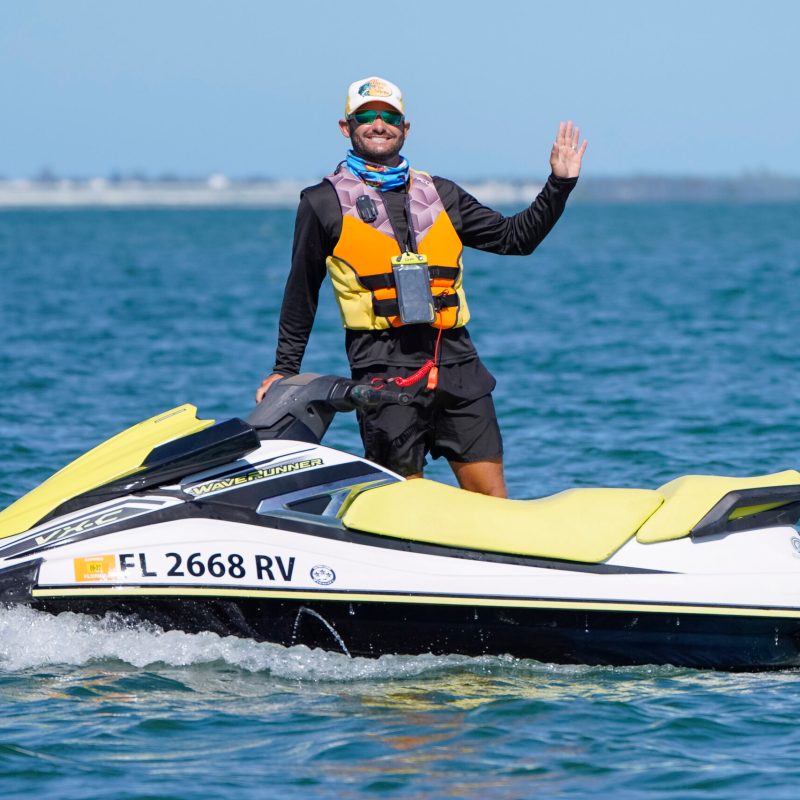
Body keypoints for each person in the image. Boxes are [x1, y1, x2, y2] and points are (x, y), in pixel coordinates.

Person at [256, 76, 586, 498]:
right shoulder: (321, 202)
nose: (379, 124)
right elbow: (302, 291)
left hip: (459, 366)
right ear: (347, 127)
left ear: (405, 128)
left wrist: (559, 185)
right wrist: (286, 368)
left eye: (389, 116)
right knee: (405, 504)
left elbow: (515, 239)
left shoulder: (442, 194)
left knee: (493, 501)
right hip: (383, 371)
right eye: (367, 116)